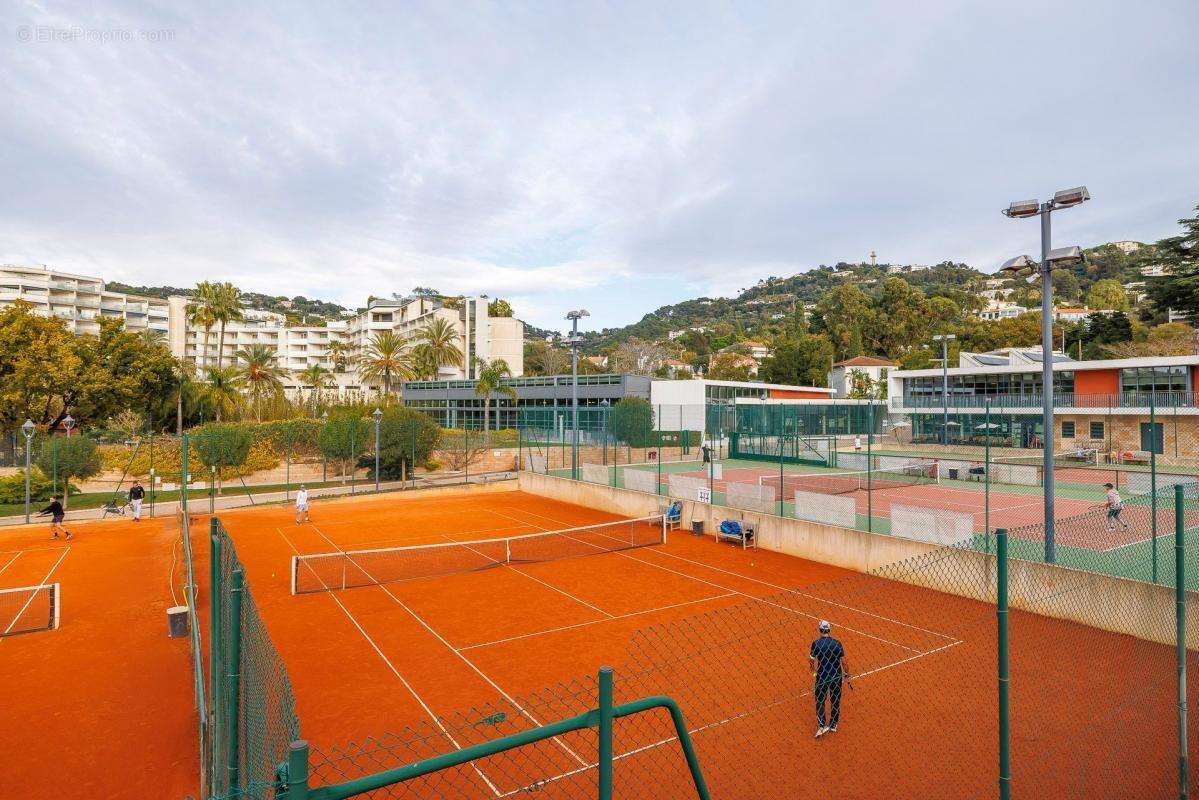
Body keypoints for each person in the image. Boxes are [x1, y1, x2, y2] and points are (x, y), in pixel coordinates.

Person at [809, 619, 851, 737]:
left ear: (820, 630)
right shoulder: (837, 643)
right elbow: (843, 661)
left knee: (820, 700)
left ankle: (822, 726)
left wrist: (812, 668)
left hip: (822, 677)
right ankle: (833, 725)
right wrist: (847, 674)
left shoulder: (816, 643)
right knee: (835, 700)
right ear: (829, 630)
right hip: (836, 677)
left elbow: (811, 659)